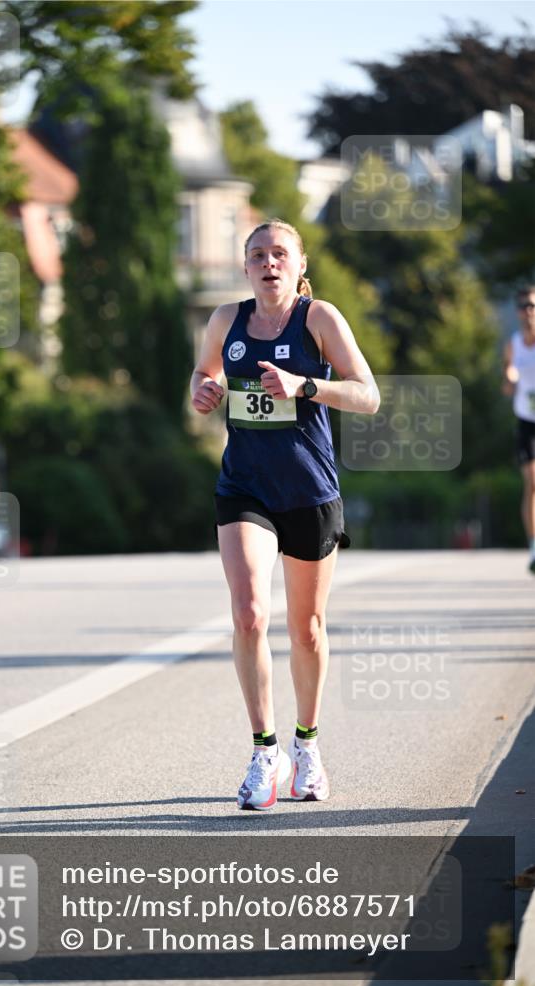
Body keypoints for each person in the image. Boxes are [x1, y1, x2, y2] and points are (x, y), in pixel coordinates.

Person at [190, 218, 380, 811]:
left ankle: (307, 744)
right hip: (245, 487)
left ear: (299, 266)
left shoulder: (318, 318)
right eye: (256, 255)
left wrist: (305, 385)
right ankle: (263, 751)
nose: (268, 263)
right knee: (248, 614)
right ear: (244, 267)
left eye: (279, 254)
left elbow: (367, 394)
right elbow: (204, 375)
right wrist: (201, 390)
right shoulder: (227, 320)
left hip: (309, 491)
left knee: (307, 629)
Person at [502, 285, 535, 574]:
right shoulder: (513, 343)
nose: (528, 311)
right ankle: (534, 545)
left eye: (532, 305)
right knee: (531, 483)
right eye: (523, 305)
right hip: (526, 421)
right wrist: (510, 378)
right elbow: (507, 375)